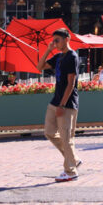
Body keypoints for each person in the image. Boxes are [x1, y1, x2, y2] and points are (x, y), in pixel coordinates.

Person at [37, 28, 81, 182]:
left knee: (66, 137)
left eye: (57, 40)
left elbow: (71, 83)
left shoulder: (72, 57)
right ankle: (73, 158)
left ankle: (70, 171)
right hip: (55, 101)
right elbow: (39, 67)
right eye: (53, 40)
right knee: (49, 132)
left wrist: (62, 105)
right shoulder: (58, 57)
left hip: (67, 103)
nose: (55, 43)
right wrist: (48, 50)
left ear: (67, 39)